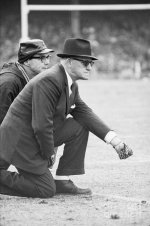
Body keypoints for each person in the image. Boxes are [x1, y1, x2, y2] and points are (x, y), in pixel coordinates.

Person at [0, 38, 133, 198]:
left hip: (32, 136)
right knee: (45, 189)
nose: (89, 67)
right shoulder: (49, 80)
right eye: (85, 62)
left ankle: (62, 180)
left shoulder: (69, 83)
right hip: (20, 141)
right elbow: (41, 126)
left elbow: (84, 113)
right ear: (69, 62)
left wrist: (115, 141)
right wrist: (48, 153)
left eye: (91, 63)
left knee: (80, 124)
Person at [0, 39, 54, 124]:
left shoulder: (36, 78)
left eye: (48, 57)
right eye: (42, 58)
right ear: (27, 60)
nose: (47, 62)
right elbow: (2, 123)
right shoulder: (8, 83)